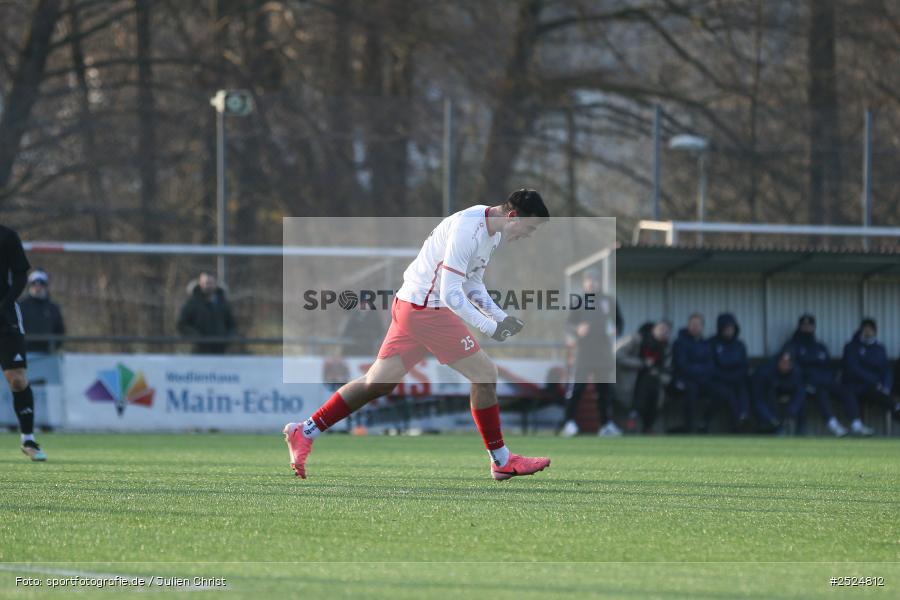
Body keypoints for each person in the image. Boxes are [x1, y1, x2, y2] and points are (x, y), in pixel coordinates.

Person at [283, 189, 552, 480]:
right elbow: (451, 294)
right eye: (530, 228)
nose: (529, 236)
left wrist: (500, 316)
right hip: (427, 309)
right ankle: (501, 461)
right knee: (485, 374)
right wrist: (490, 327)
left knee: (377, 382)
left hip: (411, 303)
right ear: (513, 217)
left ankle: (305, 430)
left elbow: (473, 283)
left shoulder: (493, 231)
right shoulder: (468, 229)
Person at [0, 226, 47, 460]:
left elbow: (20, 276)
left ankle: (28, 438)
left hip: (5, 317)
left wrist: (4, 303)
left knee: (17, 380)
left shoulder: (7, 236)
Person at [560, 269, 623, 437]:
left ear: (599, 282)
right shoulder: (579, 301)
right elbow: (568, 325)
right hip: (584, 353)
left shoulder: (609, 301)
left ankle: (606, 425)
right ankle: (569, 423)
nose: (591, 283)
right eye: (588, 280)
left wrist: (616, 330)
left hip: (603, 353)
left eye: (594, 280)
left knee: (604, 391)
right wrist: (577, 329)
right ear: (584, 283)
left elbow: (620, 322)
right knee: (577, 389)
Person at [782, 314, 851, 437]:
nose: (807, 328)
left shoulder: (820, 347)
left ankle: (856, 422)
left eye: (809, 326)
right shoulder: (792, 345)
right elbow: (790, 367)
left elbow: (828, 367)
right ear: (799, 327)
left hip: (823, 382)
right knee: (817, 392)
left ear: (814, 328)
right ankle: (830, 424)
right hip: (803, 384)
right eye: (804, 326)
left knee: (846, 390)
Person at [670, 313, 731, 433]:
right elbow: (682, 365)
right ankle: (689, 427)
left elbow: (710, 365)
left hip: (703, 381)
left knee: (723, 392)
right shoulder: (680, 342)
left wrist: (700, 372)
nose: (695, 327)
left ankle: (704, 422)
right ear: (688, 326)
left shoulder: (706, 344)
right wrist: (698, 371)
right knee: (691, 390)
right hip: (685, 381)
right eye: (692, 324)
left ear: (702, 327)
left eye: (698, 325)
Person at [618, 319, 672, 433]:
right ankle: (640, 422)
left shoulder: (666, 348)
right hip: (630, 382)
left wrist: (658, 374)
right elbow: (618, 355)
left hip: (656, 385)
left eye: (667, 332)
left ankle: (643, 423)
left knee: (654, 387)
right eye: (661, 329)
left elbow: (668, 372)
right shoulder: (636, 339)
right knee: (647, 382)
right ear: (653, 329)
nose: (663, 333)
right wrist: (642, 363)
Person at [841, 318, 893, 436]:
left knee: (890, 400)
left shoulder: (880, 348)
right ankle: (856, 425)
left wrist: (886, 386)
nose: (868, 332)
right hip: (854, 384)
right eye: (865, 329)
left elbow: (886, 369)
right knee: (849, 391)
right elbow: (853, 368)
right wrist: (874, 380)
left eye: (870, 329)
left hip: (873, 387)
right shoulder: (851, 347)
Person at [176, 271, 237, 354]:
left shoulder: (223, 303)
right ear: (200, 283)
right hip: (198, 351)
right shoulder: (192, 303)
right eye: (204, 283)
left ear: (215, 284)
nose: (206, 286)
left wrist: (227, 339)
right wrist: (197, 338)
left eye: (209, 283)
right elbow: (182, 324)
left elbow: (232, 324)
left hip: (220, 351)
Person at [710, 313, 751, 431]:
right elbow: (711, 366)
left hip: (737, 379)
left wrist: (735, 376)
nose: (729, 331)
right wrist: (725, 377)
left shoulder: (739, 345)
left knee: (743, 387)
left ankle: (744, 416)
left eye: (731, 328)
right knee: (728, 392)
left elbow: (744, 366)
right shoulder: (712, 343)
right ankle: (737, 422)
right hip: (719, 380)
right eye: (726, 328)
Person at [751, 350, 805, 434]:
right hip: (767, 402)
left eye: (788, 364)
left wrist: (791, 412)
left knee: (801, 403)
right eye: (783, 362)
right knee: (770, 395)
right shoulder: (764, 373)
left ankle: (801, 432)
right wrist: (771, 419)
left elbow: (800, 393)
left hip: (784, 396)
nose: (785, 366)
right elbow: (758, 400)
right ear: (778, 362)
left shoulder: (796, 372)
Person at [19, 269, 66, 354]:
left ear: (46, 286)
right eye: (34, 284)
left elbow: (60, 331)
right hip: (25, 354)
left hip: (47, 355)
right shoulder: (20, 306)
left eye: (41, 284)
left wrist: (54, 347)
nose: (37, 287)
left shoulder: (53, 308)